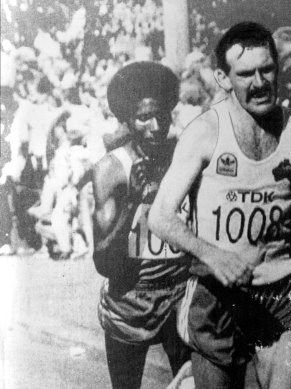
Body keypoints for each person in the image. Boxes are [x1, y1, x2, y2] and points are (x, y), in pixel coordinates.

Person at [148, 22, 291, 389]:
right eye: (245, 73)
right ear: (223, 78)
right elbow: (160, 217)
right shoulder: (204, 133)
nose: (258, 82)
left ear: (277, 69)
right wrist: (213, 256)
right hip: (216, 297)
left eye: (266, 69)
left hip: (280, 290)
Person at [91, 61, 191, 389]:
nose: (155, 127)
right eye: (143, 117)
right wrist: (134, 202)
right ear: (127, 120)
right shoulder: (112, 169)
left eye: (161, 115)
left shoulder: (183, 154)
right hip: (130, 303)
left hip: (178, 295)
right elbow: (103, 261)